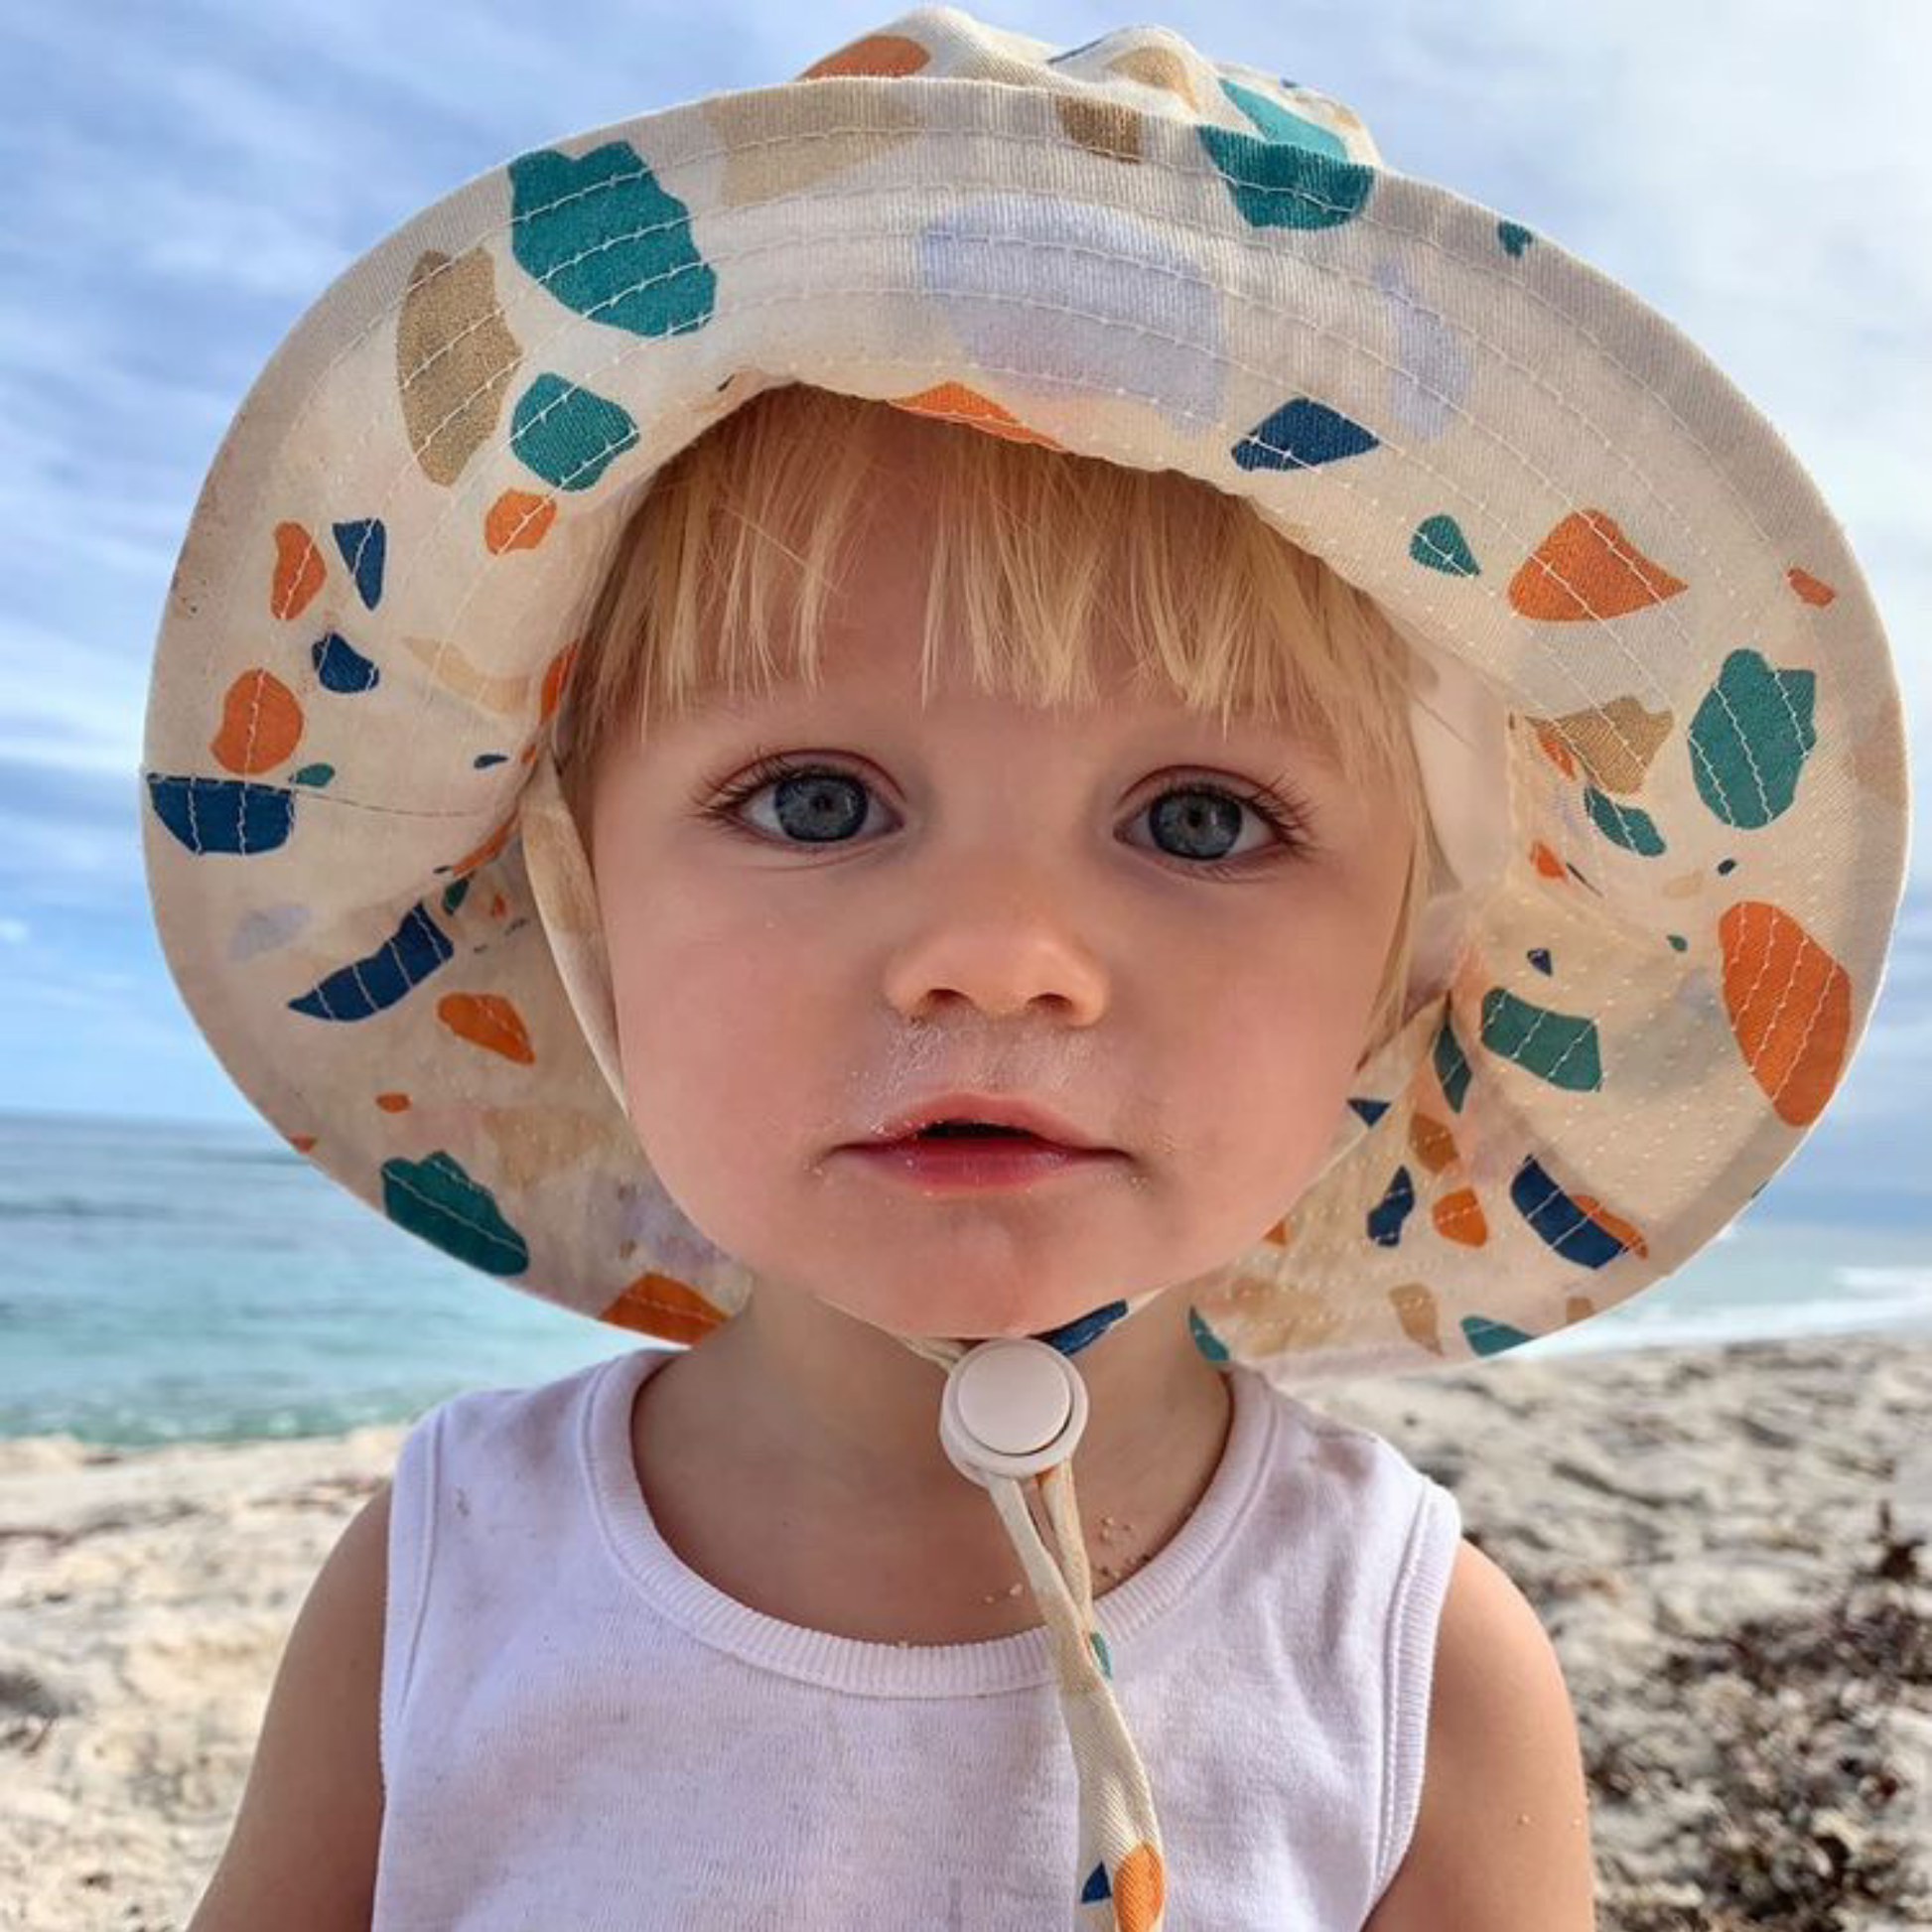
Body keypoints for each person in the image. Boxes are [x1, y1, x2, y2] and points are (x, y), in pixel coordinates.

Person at [142, 9, 1910, 1929]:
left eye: (1202, 820)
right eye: (814, 798)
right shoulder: (441, 1584)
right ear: (582, 913)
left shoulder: (1411, 1663)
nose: (998, 955)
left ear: (1407, 972)